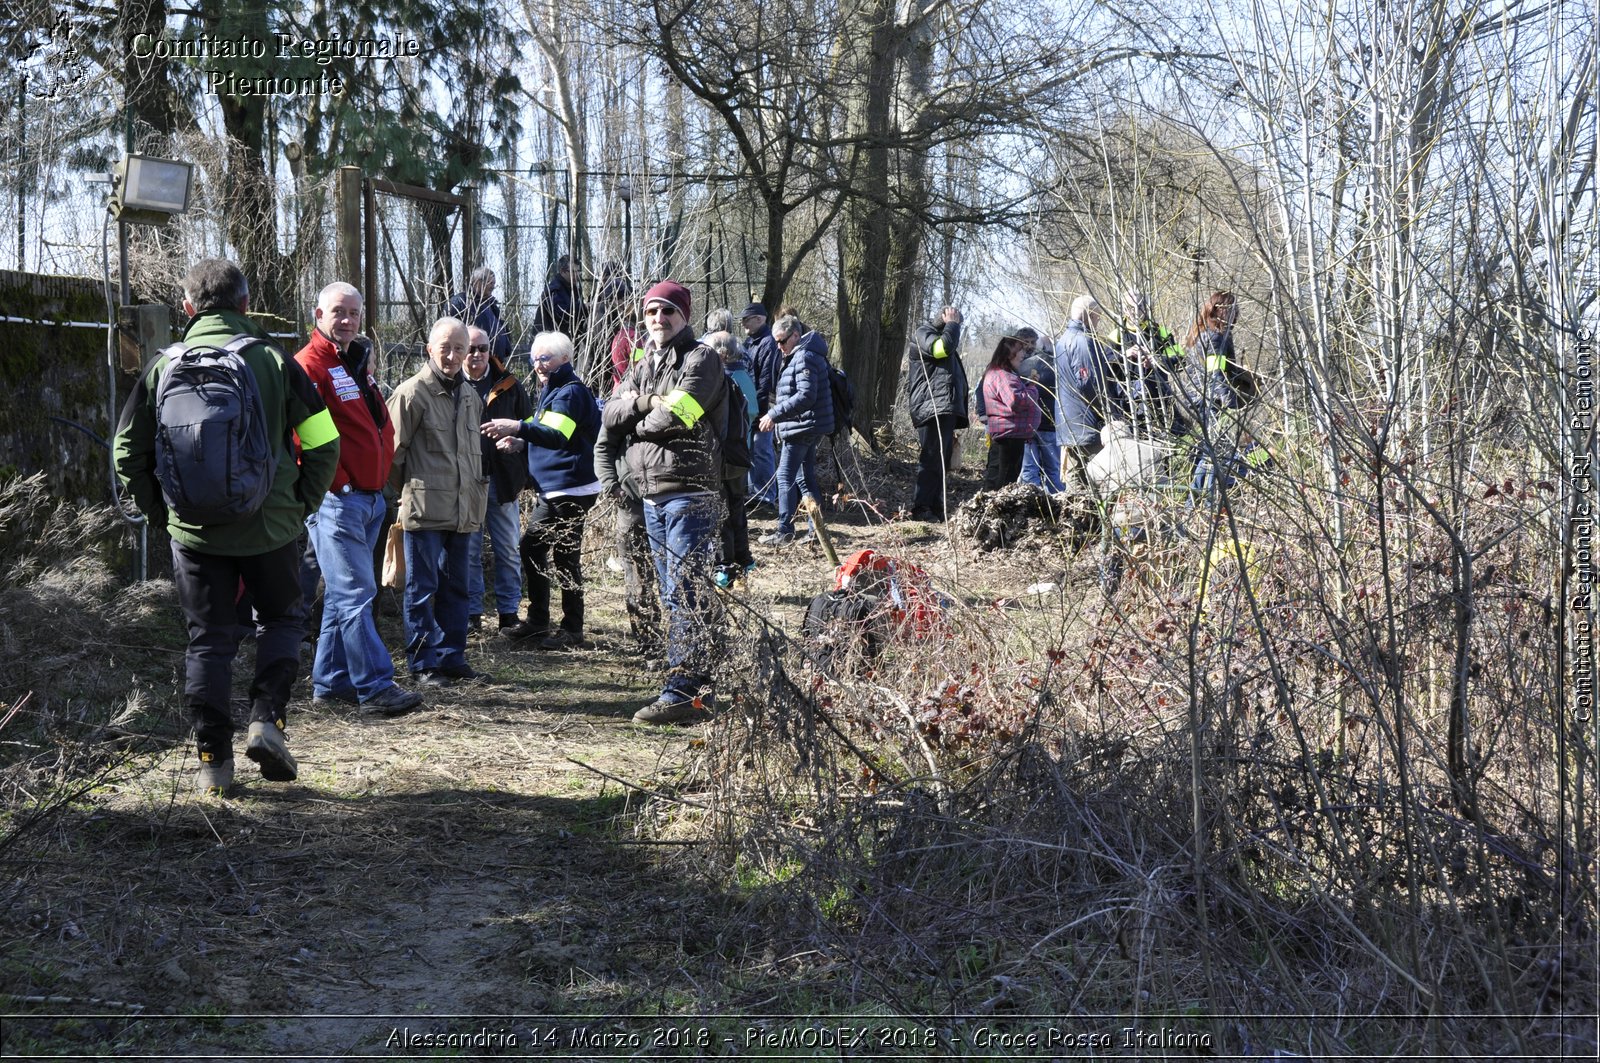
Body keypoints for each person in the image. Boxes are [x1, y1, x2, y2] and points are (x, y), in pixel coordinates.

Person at [114, 258, 340, 792]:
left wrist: (164, 515)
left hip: (194, 533)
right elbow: (326, 441)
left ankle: (213, 760)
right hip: (272, 529)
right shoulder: (275, 361)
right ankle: (267, 720)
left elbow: (127, 450)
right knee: (282, 621)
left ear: (188, 309)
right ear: (245, 305)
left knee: (208, 642)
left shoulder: (162, 365)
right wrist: (299, 503)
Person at [602, 279, 728, 725]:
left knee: (684, 592)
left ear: (685, 316)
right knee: (680, 591)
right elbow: (608, 413)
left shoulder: (702, 359)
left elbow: (677, 415)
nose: (659, 319)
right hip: (652, 496)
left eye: (668, 312)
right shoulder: (644, 363)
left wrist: (635, 417)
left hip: (690, 494)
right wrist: (643, 403)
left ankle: (683, 691)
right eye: (652, 312)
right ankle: (704, 680)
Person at [294, 282, 422, 717]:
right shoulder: (309, 365)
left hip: (368, 499)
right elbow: (301, 438)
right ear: (318, 315)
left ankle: (331, 683)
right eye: (337, 312)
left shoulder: (353, 363)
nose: (346, 320)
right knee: (356, 593)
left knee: (340, 595)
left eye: (353, 312)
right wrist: (340, 484)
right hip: (338, 500)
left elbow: (373, 424)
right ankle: (375, 686)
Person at [387, 317, 489, 687]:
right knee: (421, 590)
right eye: (444, 348)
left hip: (463, 511)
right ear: (429, 349)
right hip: (425, 511)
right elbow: (391, 456)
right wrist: (413, 492)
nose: (451, 355)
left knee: (457, 588)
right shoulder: (412, 393)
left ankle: (451, 657)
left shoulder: (471, 396)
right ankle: (422, 663)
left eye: (459, 348)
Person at [483, 332, 601, 650]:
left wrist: (518, 428)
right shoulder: (553, 388)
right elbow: (546, 427)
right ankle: (539, 621)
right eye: (534, 359)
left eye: (545, 358)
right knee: (534, 549)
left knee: (563, 556)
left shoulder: (570, 391)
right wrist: (522, 441)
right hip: (556, 489)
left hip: (571, 489)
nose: (539, 365)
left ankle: (571, 629)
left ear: (565, 359)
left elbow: (557, 434)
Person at [463, 325, 531, 633]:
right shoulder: (450, 383)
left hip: (503, 478)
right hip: (465, 482)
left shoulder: (509, 384)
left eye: (482, 348)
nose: (476, 354)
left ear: (491, 351)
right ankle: (472, 613)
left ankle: (508, 613)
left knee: (507, 548)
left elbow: (531, 427)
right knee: (468, 551)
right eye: (470, 347)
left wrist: (521, 454)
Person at [757, 314, 835, 546]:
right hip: (804, 425)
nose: (779, 347)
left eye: (782, 341)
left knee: (785, 476)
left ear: (796, 335)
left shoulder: (804, 356)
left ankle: (785, 530)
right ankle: (815, 533)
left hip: (802, 427)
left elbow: (806, 396)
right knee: (805, 479)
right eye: (776, 342)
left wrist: (774, 414)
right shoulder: (801, 354)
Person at [1181, 290, 1255, 500]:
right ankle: (1195, 501)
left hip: (1200, 399)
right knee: (1212, 452)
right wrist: (1231, 405)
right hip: (1210, 402)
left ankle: (1201, 499)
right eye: (1232, 309)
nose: (1236, 313)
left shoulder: (1203, 334)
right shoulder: (1214, 338)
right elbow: (1217, 374)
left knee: (1210, 450)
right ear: (1220, 311)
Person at [904, 305, 968, 520]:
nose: (957, 323)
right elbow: (941, 349)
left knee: (942, 461)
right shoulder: (923, 334)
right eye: (954, 319)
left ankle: (936, 507)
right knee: (931, 459)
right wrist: (952, 324)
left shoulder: (942, 338)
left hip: (943, 409)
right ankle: (921, 509)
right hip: (931, 407)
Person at [1054, 295, 1121, 495]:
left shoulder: (1062, 341)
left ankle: (1075, 522)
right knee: (1100, 479)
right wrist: (1109, 415)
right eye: (1098, 317)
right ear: (1090, 315)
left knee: (1075, 480)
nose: (1099, 322)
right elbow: (1089, 383)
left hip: (1069, 423)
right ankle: (1097, 522)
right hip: (1087, 424)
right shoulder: (1083, 341)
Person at [705, 330, 757, 586]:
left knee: (723, 513)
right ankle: (743, 562)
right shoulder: (740, 376)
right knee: (736, 510)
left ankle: (725, 567)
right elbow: (754, 409)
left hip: (726, 457)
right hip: (739, 454)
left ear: (721, 353)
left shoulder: (721, 381)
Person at [1112, 288, 1187, 441]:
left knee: (1177, 438)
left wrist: (1158, 360)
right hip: (1131, 403)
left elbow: (1180, 360)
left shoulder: (1159, 332)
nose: (1135, 311)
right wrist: (1124, 357)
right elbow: (1106, 369)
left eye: (1139, 306)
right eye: (1130, 308)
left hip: (1161, 397)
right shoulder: (1116, 336)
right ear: (1124, 309)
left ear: (1146, 307)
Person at [980, 331, 1042, 490]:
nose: (1023, 354)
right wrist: (1033, 389)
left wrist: (1028, 386)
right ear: (1009, 354)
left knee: (1002, 478)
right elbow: (1016, 401)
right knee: (1003, 482)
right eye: (1020, 351)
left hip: (1011, 434)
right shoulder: (1002, 375)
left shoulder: (1005, 374)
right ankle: (995, 513)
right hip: (1008, 437)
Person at [740, 303, 781, 509]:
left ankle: (766, 498)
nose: (743, 323)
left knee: (762, 451)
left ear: (760, 319)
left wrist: (757, 412)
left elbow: (765, 382)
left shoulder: (768, 343)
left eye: (747, 319)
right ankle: (755, 494)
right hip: (751, 407)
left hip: (763, 408)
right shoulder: (749, 342)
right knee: (752, 451)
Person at [1017, 328, 1063, 492]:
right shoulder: (1058, 366)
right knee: (1053, 469)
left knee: (1029, 468)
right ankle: (1056, 503)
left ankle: (1032, 502)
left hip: (1027, 424)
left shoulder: (1022, 365)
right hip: (1050, 424)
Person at [445, 266, 511, 362]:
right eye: (491, 283)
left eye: (494, 283)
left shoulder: (492, 306)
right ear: (478, 282)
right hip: (472, 361)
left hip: (494, 363)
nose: (493, 287)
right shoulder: (460, 303)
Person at [533, 254, 583, 337]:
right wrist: (584, 308)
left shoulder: (572, 289)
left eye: (578, 271)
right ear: (562, 271)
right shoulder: (554, 290)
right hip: (549, 339)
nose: (577, 275)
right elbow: (561, 314)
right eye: (573, 272)